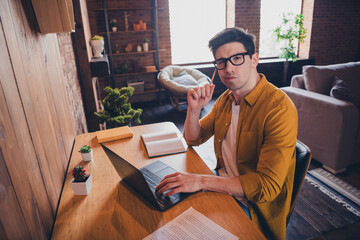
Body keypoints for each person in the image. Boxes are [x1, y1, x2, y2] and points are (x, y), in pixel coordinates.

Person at [156, 27, 298, 240]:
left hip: (254, 209)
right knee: (165, 219)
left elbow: (267, 187)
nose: (228, 68)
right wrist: (193, 110)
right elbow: (193, 138)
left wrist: (202, 181)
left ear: (254, 60)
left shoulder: (279, 108)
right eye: (221, 62)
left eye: (237, 58)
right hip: (222, 188)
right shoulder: (226, 100)